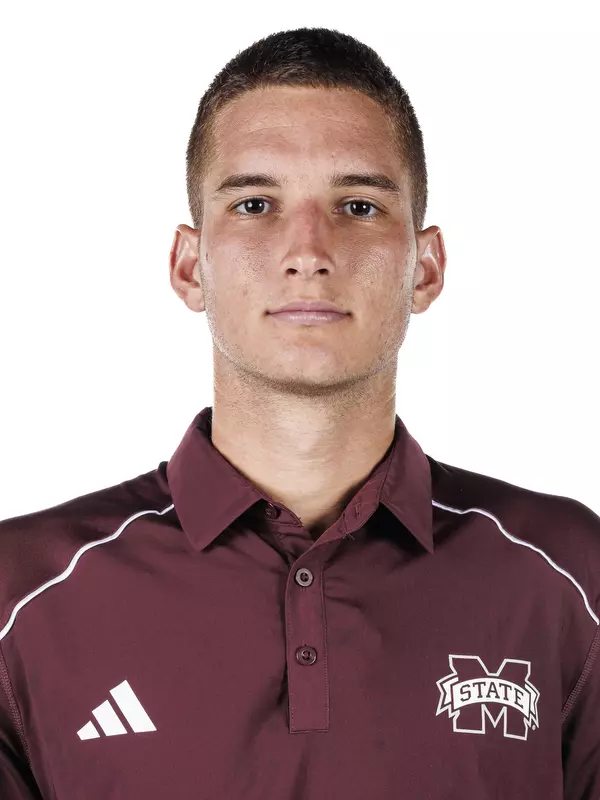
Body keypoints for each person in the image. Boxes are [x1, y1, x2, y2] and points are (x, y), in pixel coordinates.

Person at [0, 26, 598, 800]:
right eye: (255, 203)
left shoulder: (569, 579)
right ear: (189, 265)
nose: (308, 249)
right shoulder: (23, 597)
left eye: (357, 204)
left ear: (425, 267)